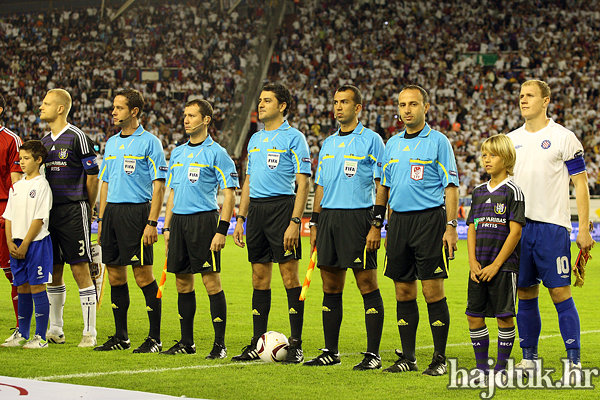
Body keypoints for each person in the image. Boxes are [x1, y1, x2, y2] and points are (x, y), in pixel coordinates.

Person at [507, 80, 594, 382]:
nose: (523, 100)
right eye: (520, 96)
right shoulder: (510, 140)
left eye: (529, 95)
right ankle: (529, 359)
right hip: (518, 228)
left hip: (552, 228)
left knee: (559, 292)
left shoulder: (563, 138)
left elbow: (581, 185)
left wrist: (583, 228)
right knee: (525, 293)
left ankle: (574, 362)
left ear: (545, 101)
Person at [375, 85, 459, 376]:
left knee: (432, 289)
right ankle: (408, 357)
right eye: (402, 104)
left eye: (413, 104)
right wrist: (379, 224)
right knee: (402, 290)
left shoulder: (438, 142)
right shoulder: (392, 144)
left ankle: (438, 359)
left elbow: (450, 186)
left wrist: (450, 226)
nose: (406, 109)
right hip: (398, 223)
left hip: (429, 222)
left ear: (426, 108)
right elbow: (384, 187)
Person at [303, 85, 385, 370]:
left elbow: (380, 184)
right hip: (328, 219)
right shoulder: (327, 143)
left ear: (358, 108)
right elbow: (320, 184)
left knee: (366, 283)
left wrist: (377, 224)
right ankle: (331, 351)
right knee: (330, 284)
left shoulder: (372, 140)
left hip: (358, 218)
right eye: (336, 102)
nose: (338, 107)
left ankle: (373, 354)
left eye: (345, 102)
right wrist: (314, 221)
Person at [232, 83, 311, 364]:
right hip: (257, 213)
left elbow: (303, 184)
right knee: (258, 278)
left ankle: (297, 343)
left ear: (283, 106)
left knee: (290, 277)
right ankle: (257, 342)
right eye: (260, 100)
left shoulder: (294, 138)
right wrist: (240, 219)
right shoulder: (254, 140)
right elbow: (249, 182)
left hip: (282, 209)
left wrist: (294, 221)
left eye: (267, 100)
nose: (261, 105)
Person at [161, 99, 238, 358]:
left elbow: (229, 194)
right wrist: (167, 226)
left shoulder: (217, 153)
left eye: (192, 115)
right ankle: (187, 342)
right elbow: (172, 193)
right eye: (185, 115)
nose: (186, 120)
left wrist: (222, 229)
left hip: (204, 222)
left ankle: (220, 345)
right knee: (182, 283)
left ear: (206, 120)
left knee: (210, 282)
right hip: (179, 223)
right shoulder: (179, 152)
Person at [94, 89, 167, 353]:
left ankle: (154, 338)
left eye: (119, 108)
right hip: (111, 213)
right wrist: (101, 219)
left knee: (142, 275)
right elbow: (105, 182)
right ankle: (121, 337)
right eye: (114, 107)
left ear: (134, 111)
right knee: (114, 275)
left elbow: (159, 185)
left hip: (137, 213)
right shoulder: (111, 143)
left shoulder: (150, 143)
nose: (113, 111)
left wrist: (151, 222)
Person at [39, 89, 100, 348]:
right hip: (49, 214)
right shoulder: (43, 142)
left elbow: (92, 176)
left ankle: (90, 332)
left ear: (61, 108)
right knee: (53, 271)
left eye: (46, 103)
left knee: (80, 269)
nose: (41, 107)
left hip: (74, 210)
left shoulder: (78, 138)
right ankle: (56, 329)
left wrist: (89, 206)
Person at [465, 134, 525, 379]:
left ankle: (500, 369)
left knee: (504, 317)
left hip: (504, 267)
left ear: (507, 158)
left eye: (493, 155)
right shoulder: (478, 192)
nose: (486, 159)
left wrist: (496, 265)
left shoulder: (513, 191)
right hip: (478, 266)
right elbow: (471, 227)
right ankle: (481, 369)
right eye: (484, 155)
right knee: (473, 315)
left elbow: (516, 232)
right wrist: (472, 262)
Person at [1, 140, 53, 348]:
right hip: (16, 243)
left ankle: (40, 337)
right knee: (21, 286)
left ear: (38, 160)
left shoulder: (42, 186)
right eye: (20, 158)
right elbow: (9, 217)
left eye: (26, 158)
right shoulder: (17, 186)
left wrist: (25, 245)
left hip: (36, 243)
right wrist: (10, 242)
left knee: (37, 286)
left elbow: (39, 219)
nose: (21, 162)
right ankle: (22, 333)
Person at [0, 94, 23, 344]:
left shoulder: (11, 140)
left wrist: (11, 213)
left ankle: (21, 328)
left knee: (12, 271)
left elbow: (15, 182)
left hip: (3, 211)